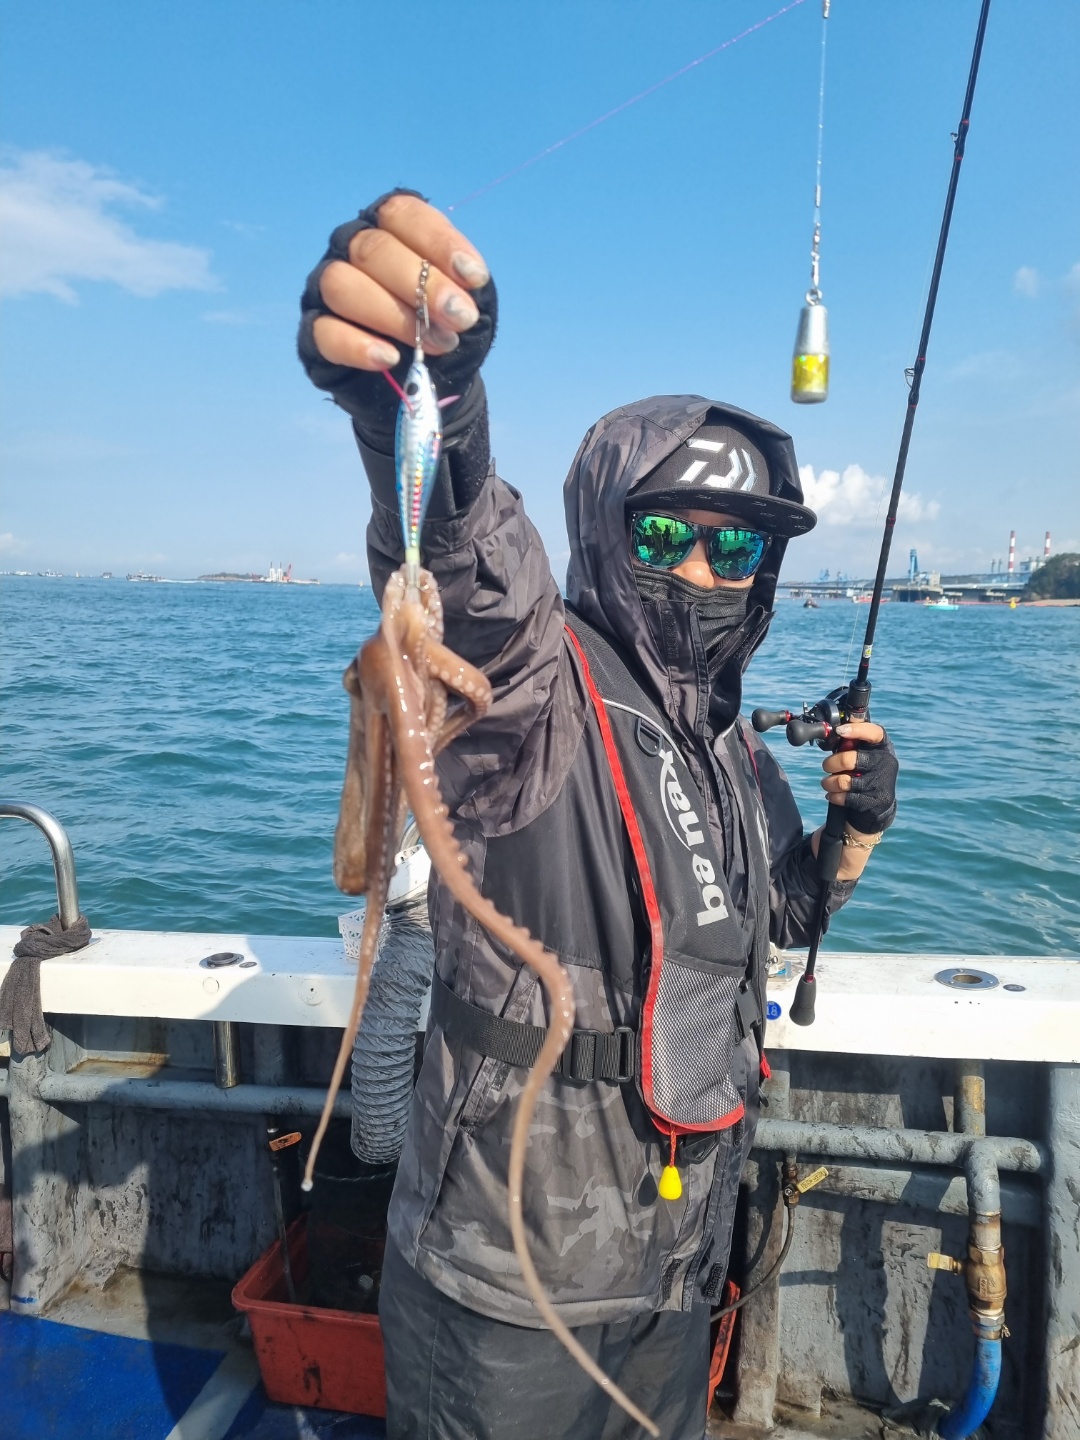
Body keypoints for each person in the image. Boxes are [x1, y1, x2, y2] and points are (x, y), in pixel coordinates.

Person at [298, 191, 898, 1440]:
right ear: (607, 532)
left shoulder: (732, 744)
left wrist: (855, 832)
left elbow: (779, 918)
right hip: (506, 1285)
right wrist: (429, 400)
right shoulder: (539, 687)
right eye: (666, 533)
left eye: (738, 550)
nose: (702, 569)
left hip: (676, 1265)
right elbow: (469, 569)